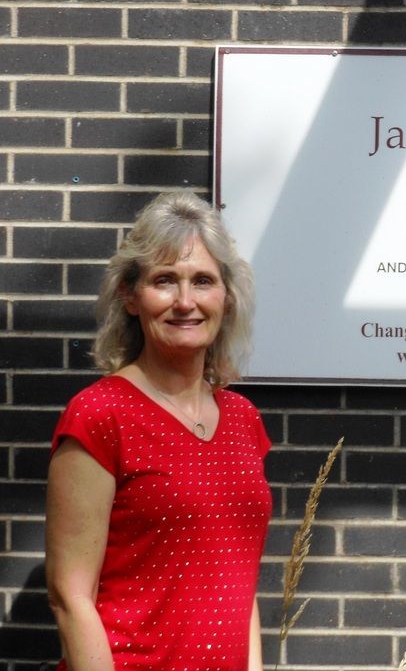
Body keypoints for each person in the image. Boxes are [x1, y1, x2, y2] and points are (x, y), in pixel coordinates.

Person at [45, 192, 271, 671]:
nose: (185, 302)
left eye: (203, 281)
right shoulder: (100, 415)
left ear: (226, 297)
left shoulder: (243, 419)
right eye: (165, 280)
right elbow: (70, 596)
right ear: (131, 295)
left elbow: (239, 581)